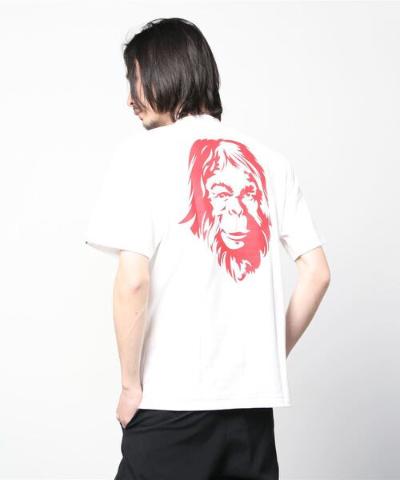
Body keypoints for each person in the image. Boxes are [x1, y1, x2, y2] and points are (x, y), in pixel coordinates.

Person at [84, 17, 331, 480]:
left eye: (134, 78)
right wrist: (267, 355)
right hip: (251, 416)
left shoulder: (140, 156)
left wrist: (130, 386)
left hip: (170, 407)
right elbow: (317, 273)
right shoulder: (272, 162)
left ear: (164, 72)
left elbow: (133, 281)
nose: (130, 98)